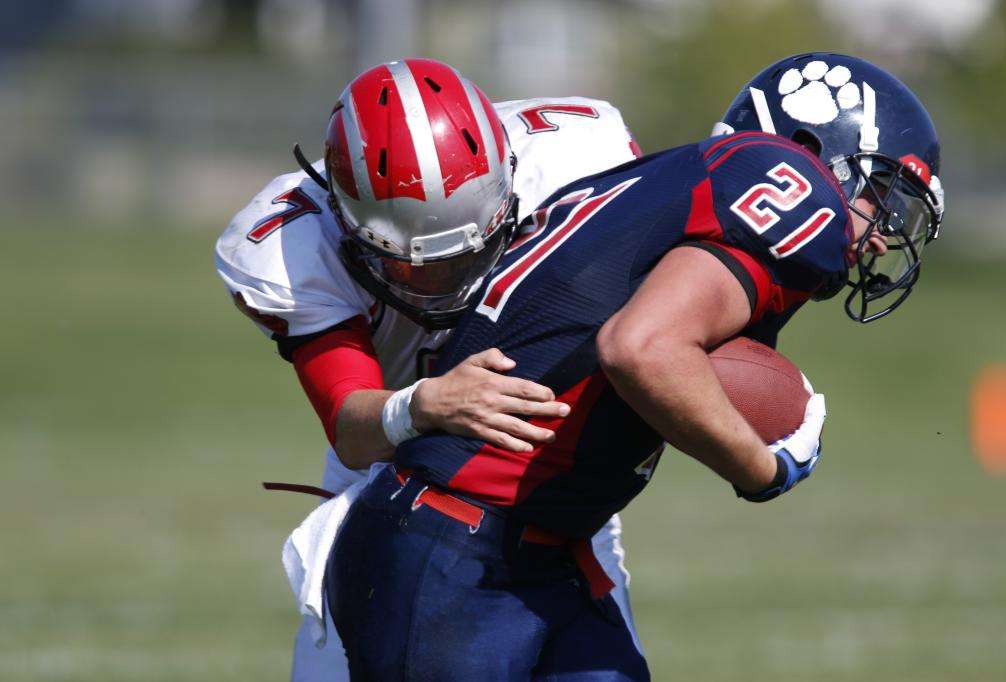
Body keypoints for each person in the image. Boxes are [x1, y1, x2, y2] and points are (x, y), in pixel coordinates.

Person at [324, 53, 945, 680]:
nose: (883, 237)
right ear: (815, 151)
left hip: (529, 553)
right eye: (883, 196)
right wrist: (766, 469)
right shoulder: (795, 187)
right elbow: (642, 349)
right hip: (453, 551)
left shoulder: (662, 184)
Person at [214, 58, 644, 681]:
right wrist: (422, 405)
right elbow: (354, 428)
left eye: (471, 251)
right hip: (389, 486)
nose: (451, 282)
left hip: (546, 479)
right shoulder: (288, 242)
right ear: (346, 217)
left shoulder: (579, 156)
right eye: (418, 263)